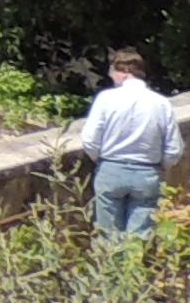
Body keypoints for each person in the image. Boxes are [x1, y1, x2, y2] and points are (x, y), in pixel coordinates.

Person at [75, 47, 184, 238]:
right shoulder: (161, 103)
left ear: (123, 73)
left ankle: (113, 266)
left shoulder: (106, 99)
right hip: (147, 172)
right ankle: (134, 265)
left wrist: (102, 160)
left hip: (111, 168)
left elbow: (90, 139)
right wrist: (160, 166)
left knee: (109, 235)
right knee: (139, 235)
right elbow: (174, 148)